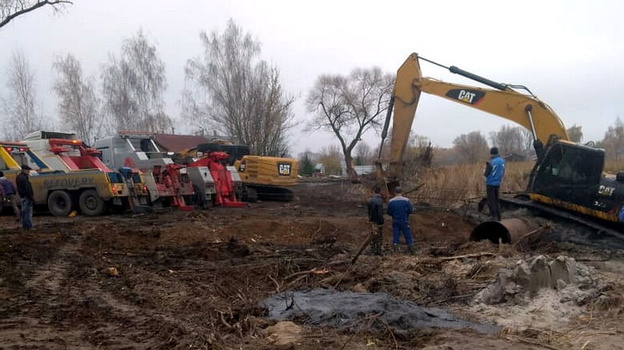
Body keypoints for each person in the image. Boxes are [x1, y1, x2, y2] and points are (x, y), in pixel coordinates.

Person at [387, 187, 415, 255]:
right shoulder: (406, 200)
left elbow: (388, 212)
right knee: (408, 235)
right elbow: (410, 210)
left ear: (395, 192)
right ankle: (412, 250)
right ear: (401, 192)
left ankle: (396, 250)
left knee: (396, 235)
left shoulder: (391, 201)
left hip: (395, 220)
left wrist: (394, 214)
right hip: (404, 220)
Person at [484, 147, 506, 221]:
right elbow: (503, 172)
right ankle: (499, 216)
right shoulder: (503, 161)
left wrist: (484, 172)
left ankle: (493, 216)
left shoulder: (490, 162)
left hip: (490, 183)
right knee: (496, 200)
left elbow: (486, 174)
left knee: (491, 200)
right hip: (497, 183)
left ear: (491, 153)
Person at [367, 185, 384, 255]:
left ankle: (372, 249)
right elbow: (380, 212)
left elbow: (368, 211)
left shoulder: (370, 200)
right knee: (379, 236)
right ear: (380, 192)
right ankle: (378, 250)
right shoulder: (380, 200)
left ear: (373, 191)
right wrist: (381, 221)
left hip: (372, 221)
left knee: (373, 234)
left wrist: (370, 219)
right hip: (378, 221)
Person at [16, 165, 34, 230]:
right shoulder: (24, 178)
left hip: (22, 196)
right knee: (27, 212)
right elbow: (27, 188)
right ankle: (28, 226)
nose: (29, 172)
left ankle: (25, 226)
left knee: (24, 212)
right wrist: (31, 197)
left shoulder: (19, 177)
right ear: (24, 170)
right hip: (26, 197)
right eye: (28, 170)